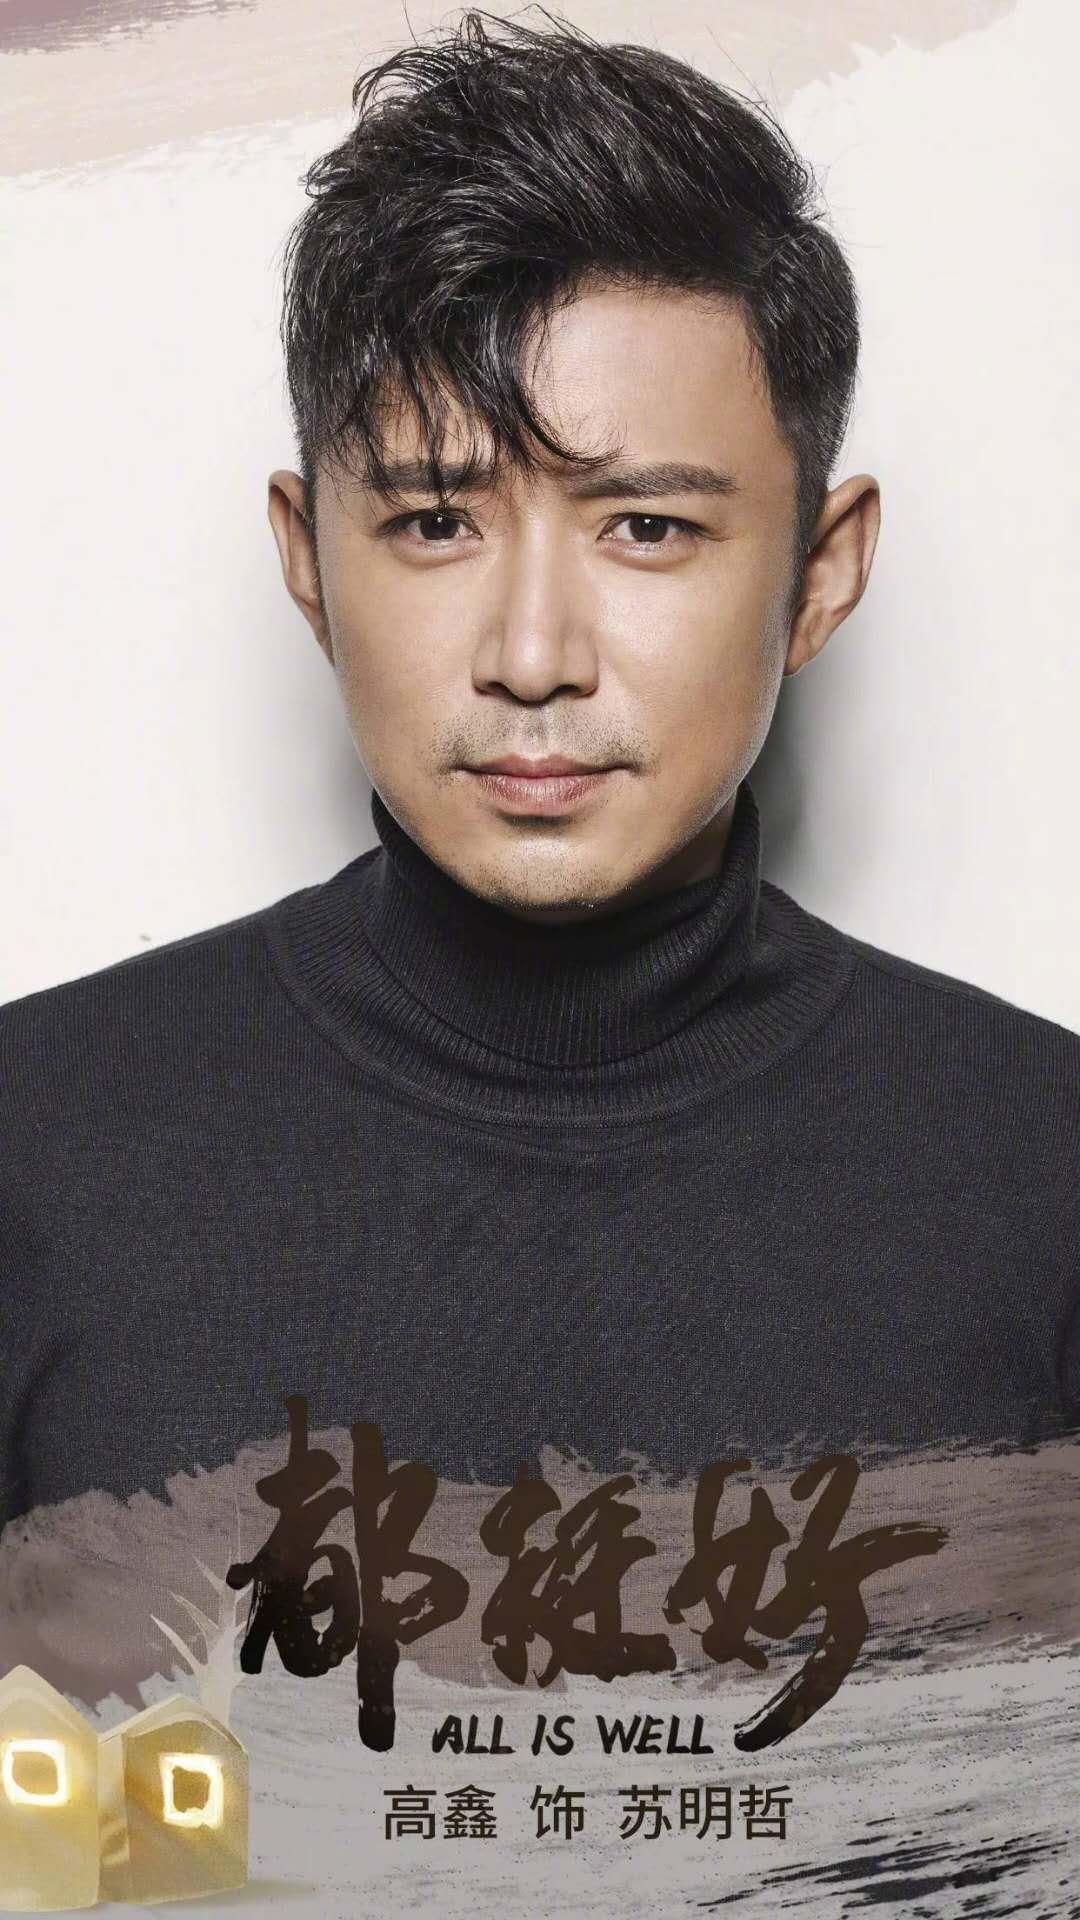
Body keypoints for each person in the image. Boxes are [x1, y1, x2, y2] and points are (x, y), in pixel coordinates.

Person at [1, 12, 1077, 1914]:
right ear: (307, 555)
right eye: (435, 520)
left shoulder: (1044, 1172)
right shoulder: (34, 1147)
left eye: (647, 525)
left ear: (822, 571)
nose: (531, 654)